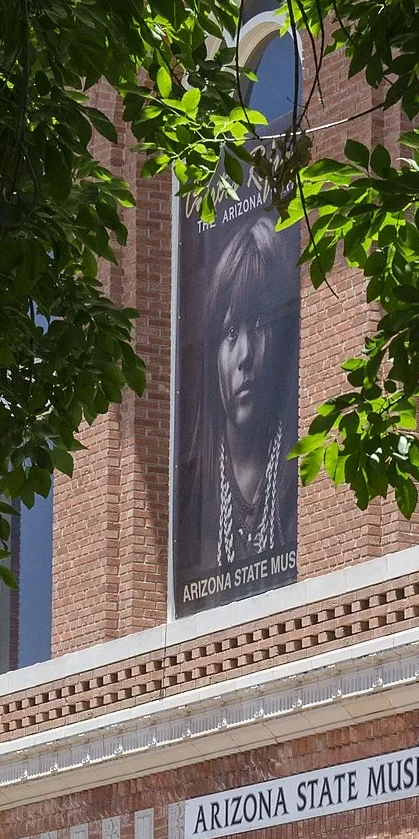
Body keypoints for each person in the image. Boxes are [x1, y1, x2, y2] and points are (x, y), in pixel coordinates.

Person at [178, 212, 298, 602]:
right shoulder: (190, 496)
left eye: (259, 323)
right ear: (213, 355)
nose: (245, 354)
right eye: (231, 332)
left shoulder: (299, 472)